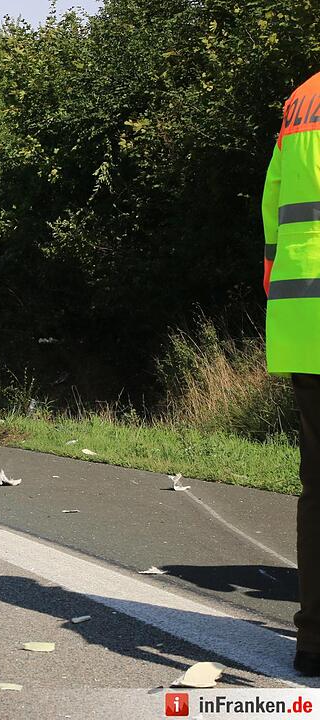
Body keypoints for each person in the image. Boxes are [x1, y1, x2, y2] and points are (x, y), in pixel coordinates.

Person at [262, 69, 320, 675]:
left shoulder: (302, 98)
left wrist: (273, 267)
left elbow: (273, 199)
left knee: (318, 488)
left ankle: (315, 641)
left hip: (305, 317)